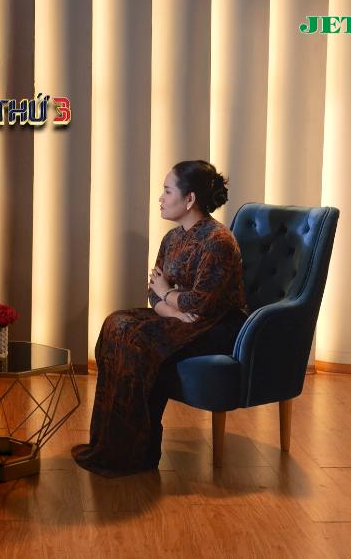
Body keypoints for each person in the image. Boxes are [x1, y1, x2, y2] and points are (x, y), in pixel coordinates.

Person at [72, 160, 247, 477]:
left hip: (218, 327)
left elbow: (201, 302)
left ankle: (140, 451)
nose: (161, 198)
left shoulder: (218, 241)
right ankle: (111, 446)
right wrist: (173, 309)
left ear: (190, 199)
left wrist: (169, 295)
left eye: (167, 191)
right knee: (115, 323)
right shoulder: (172, 238)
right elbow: (154, 294)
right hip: (185, 319)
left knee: (136, 339)